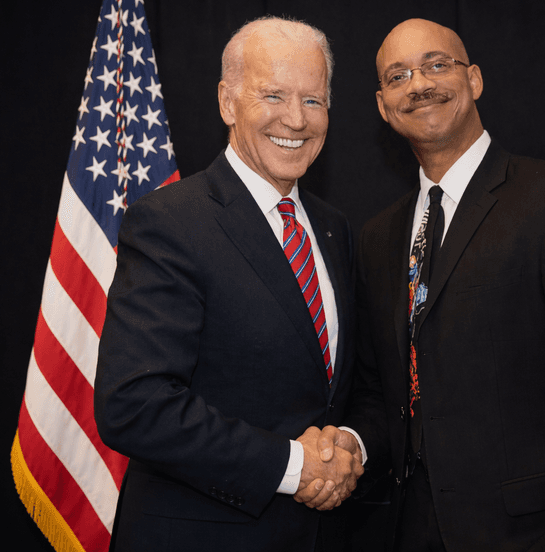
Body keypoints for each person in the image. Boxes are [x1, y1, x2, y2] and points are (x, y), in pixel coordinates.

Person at [300, 18, 545, 551]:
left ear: (474, 79)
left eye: (437, 64)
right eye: (398, 75)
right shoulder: (378, 238)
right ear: (384, 106)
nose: (420, 84)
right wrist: (350, 444)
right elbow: (382, 395)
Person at [94, 16, 362, 552]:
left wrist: (349, 447)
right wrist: (292, 465)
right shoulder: (170, 222)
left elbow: (350, 386)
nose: (296, 119)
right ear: (227, 101)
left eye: (314, 100)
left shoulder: (334, 229)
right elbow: (134, 404)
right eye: (274, 95)